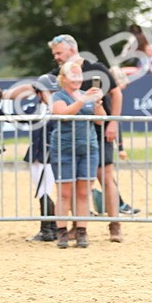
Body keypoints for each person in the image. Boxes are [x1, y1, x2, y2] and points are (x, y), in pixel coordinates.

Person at [49, 34, 125, 243]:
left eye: (58, 52)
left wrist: (113, 123)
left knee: (105, 177)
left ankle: (114, 225)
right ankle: (76, 226)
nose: (55, 57)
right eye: (54, 53)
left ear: (72, 50)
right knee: (76, 182)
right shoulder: (60, 74)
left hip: (100, 131)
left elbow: (116, 94)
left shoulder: (97, 68)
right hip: (74, 134)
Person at [50, 60, 103, 248]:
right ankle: (62, 232)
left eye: (80, 75)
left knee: (83, 193)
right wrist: (83, 100)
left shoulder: (85, 96)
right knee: (64, 193)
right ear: (63, 78)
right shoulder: (58, 96)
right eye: (73, 75)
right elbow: (63, 114)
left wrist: (97, 104)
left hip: (88, 149)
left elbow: (100, 120)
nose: (78, 79)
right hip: (64, 150)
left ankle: (82, 232)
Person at [24, 74, 58, 242]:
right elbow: (19, 118)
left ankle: (49, 228)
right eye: (47, 91)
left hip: (51, 154)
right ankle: (49, 228)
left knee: (46, 189)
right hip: (37, 154)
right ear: (38, 94)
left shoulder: (57, 108)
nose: (50, 94)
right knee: (41, 191)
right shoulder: (35, 108)